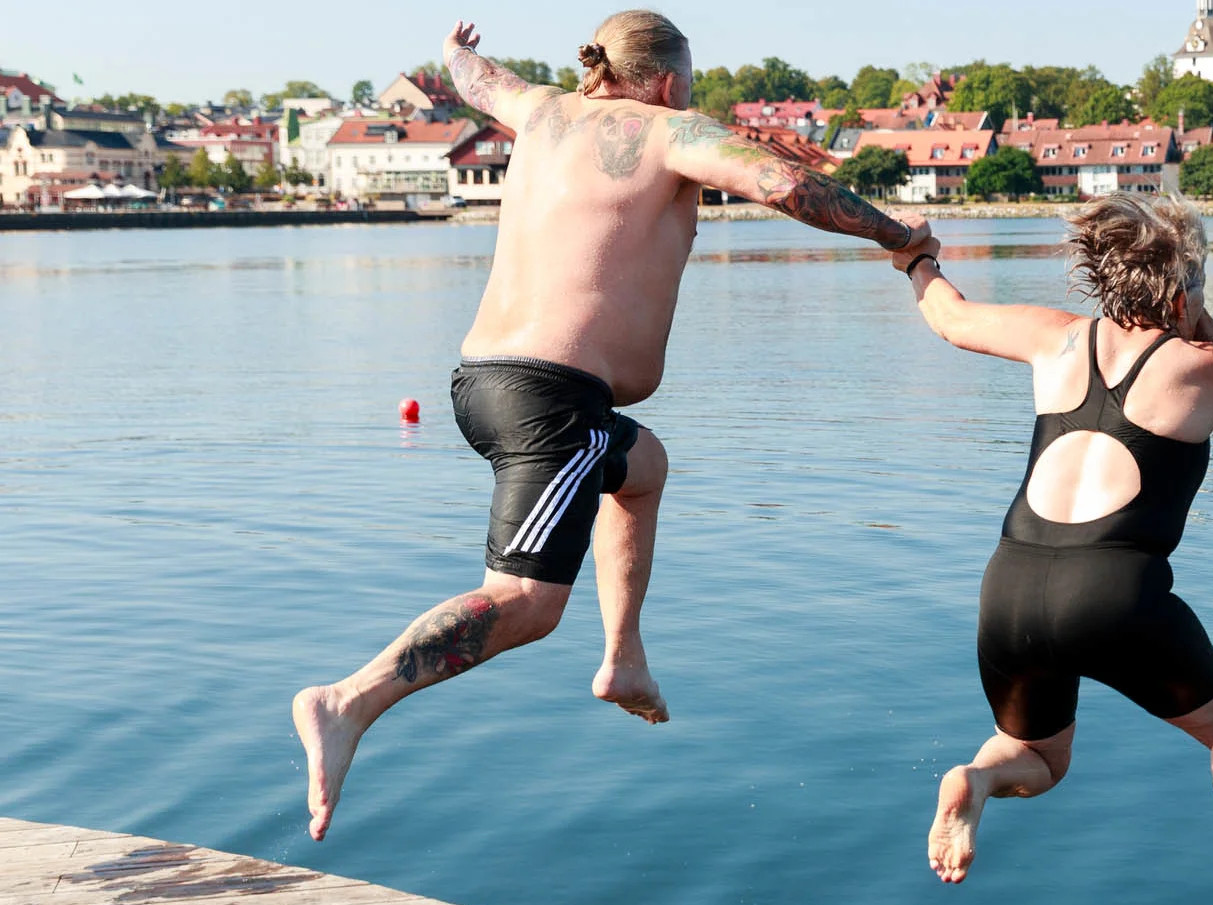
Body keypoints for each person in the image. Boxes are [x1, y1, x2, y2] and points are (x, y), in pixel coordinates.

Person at [290, 11, 931, 841]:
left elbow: (475, 81)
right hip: (551, 404)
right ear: (667, 83)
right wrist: (898, 236)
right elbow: (787, 189)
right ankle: (349, 700)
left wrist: (456, 52)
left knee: (645, 466)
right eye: (687, 88)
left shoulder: (541, 109)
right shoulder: (670, 131)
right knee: (523, 602)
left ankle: (624, 658)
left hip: (490, 384)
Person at [899, 195, 1213, 905]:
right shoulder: (1202, 367)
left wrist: (917, 261)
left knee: (1037, 757)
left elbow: (949, 317)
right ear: (1181, 291)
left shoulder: (1056, 336)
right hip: (1112, 593)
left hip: (1009, 585)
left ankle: (974, 779)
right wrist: (1209, 329)